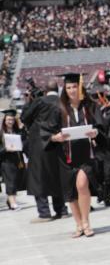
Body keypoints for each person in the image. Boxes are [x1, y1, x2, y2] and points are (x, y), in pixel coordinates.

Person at [49, 73, 102, 238]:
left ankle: (86, 222)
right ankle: (78, 224)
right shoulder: (59, 108)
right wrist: (55, 137)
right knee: (71, 192)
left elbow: (101, 126)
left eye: (74, 86)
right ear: (65, 89)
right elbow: (48, 132)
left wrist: (96, 132)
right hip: (66, 157)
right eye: (69, 87)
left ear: (80, 87)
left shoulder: (90, 106)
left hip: (86, 155)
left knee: (81, 185)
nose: (72, 90)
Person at [21, 80, 68, 221]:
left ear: (45, 89)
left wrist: (29, 101)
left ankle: (44, 213)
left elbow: (25, 118)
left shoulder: (40, 101)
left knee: (38, 177)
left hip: (39, 144)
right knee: (56, 176)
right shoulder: (62, 102)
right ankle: (61, 210)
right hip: (58, 143)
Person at [0, 109, 26, 210]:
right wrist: (5, 149)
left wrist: (22, 129)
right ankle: (13, 203)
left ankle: (10, 200)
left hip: (17, 160)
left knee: (16, 181)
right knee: (10, 181)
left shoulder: (17, 131)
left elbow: (24, 142)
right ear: (4, 120)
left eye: (12, 120)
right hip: (6, 161)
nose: (10, 121)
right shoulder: (1, 133)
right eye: (8, 119)